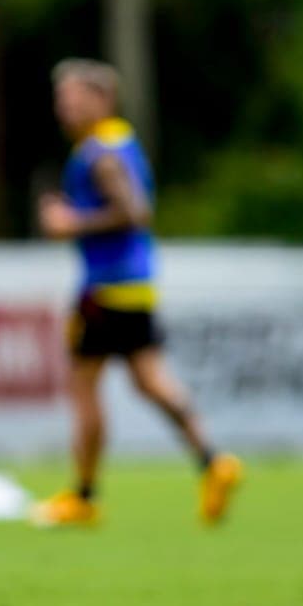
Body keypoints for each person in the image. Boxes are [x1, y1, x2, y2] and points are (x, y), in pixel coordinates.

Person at [31, 59, 242, 529]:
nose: (64, 107)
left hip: (105, 288)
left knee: (83, 387)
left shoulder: (99, 152)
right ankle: (213, 460)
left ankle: (84, 496)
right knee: (150, 381)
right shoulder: (119, 141)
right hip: (135, 284)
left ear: (102, 99)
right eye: (60, 98)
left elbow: (134, 212)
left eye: (74, 97)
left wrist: (71, 223)